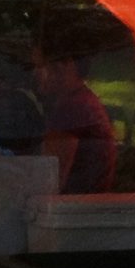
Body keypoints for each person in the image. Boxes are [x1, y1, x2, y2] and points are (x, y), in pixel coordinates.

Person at [36, 36, 117, 193]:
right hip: (85, 208)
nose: (35, 74)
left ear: (63, 66)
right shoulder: (83, 101)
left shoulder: (73, 109)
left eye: (40, 66)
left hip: (76, 212)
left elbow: (48, 180)